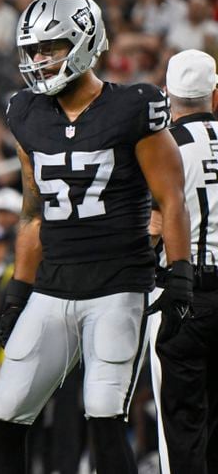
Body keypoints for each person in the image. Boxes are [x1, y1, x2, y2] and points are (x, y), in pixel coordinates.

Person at [0, 0, 192, 474]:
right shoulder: (26, 113)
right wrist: (18, 290)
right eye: (33, 50)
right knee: (5, 411)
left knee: (102, 411)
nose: (39, 60)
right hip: (54, 286)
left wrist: (179, 273)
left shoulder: (133, 106)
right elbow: (33, 213)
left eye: (50, 47)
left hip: (118, 284)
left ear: (84, 41)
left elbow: (171, 198)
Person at [148, 49, 218, 474]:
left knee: (180, 425)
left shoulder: (164, 148)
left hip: (183, 292)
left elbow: (150, 227)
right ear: (215, 93)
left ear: (167, 94)